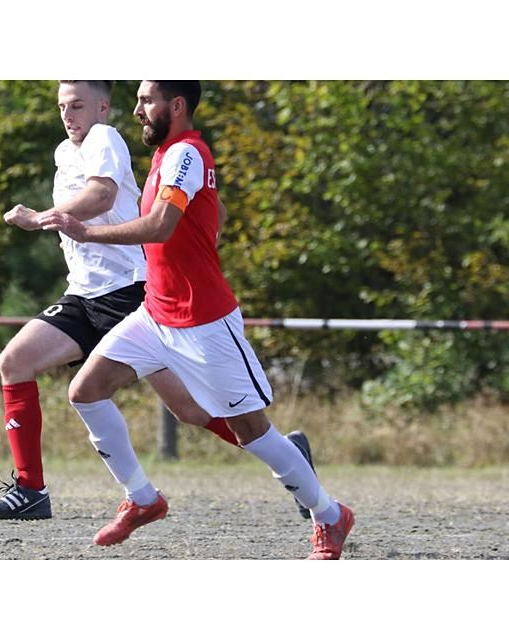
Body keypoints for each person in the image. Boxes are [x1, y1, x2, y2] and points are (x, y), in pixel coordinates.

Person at [0, 80, 315, 523]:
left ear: (103, 107)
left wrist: (40, 219)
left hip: (129, 291)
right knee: (14, 362)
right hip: (84, 294)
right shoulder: (64, 152)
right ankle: (30, 489)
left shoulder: (104, 137)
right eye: (61, 106)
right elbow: (213, 213)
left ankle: (288, 455)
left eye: (77, 104)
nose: (68, 114)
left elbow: (103, 195)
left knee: (189, 409)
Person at [38, 81, 353, 559]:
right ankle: (143, 499)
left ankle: (330, 515)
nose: (138, 110)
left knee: (253, 432)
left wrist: (88, 232)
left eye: (147, 101)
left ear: (176, 105)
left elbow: (162, 224)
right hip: (155, 313)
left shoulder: (185, 153)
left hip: (204, 322)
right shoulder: (169, 154)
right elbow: (215, 213)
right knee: (86, 391)